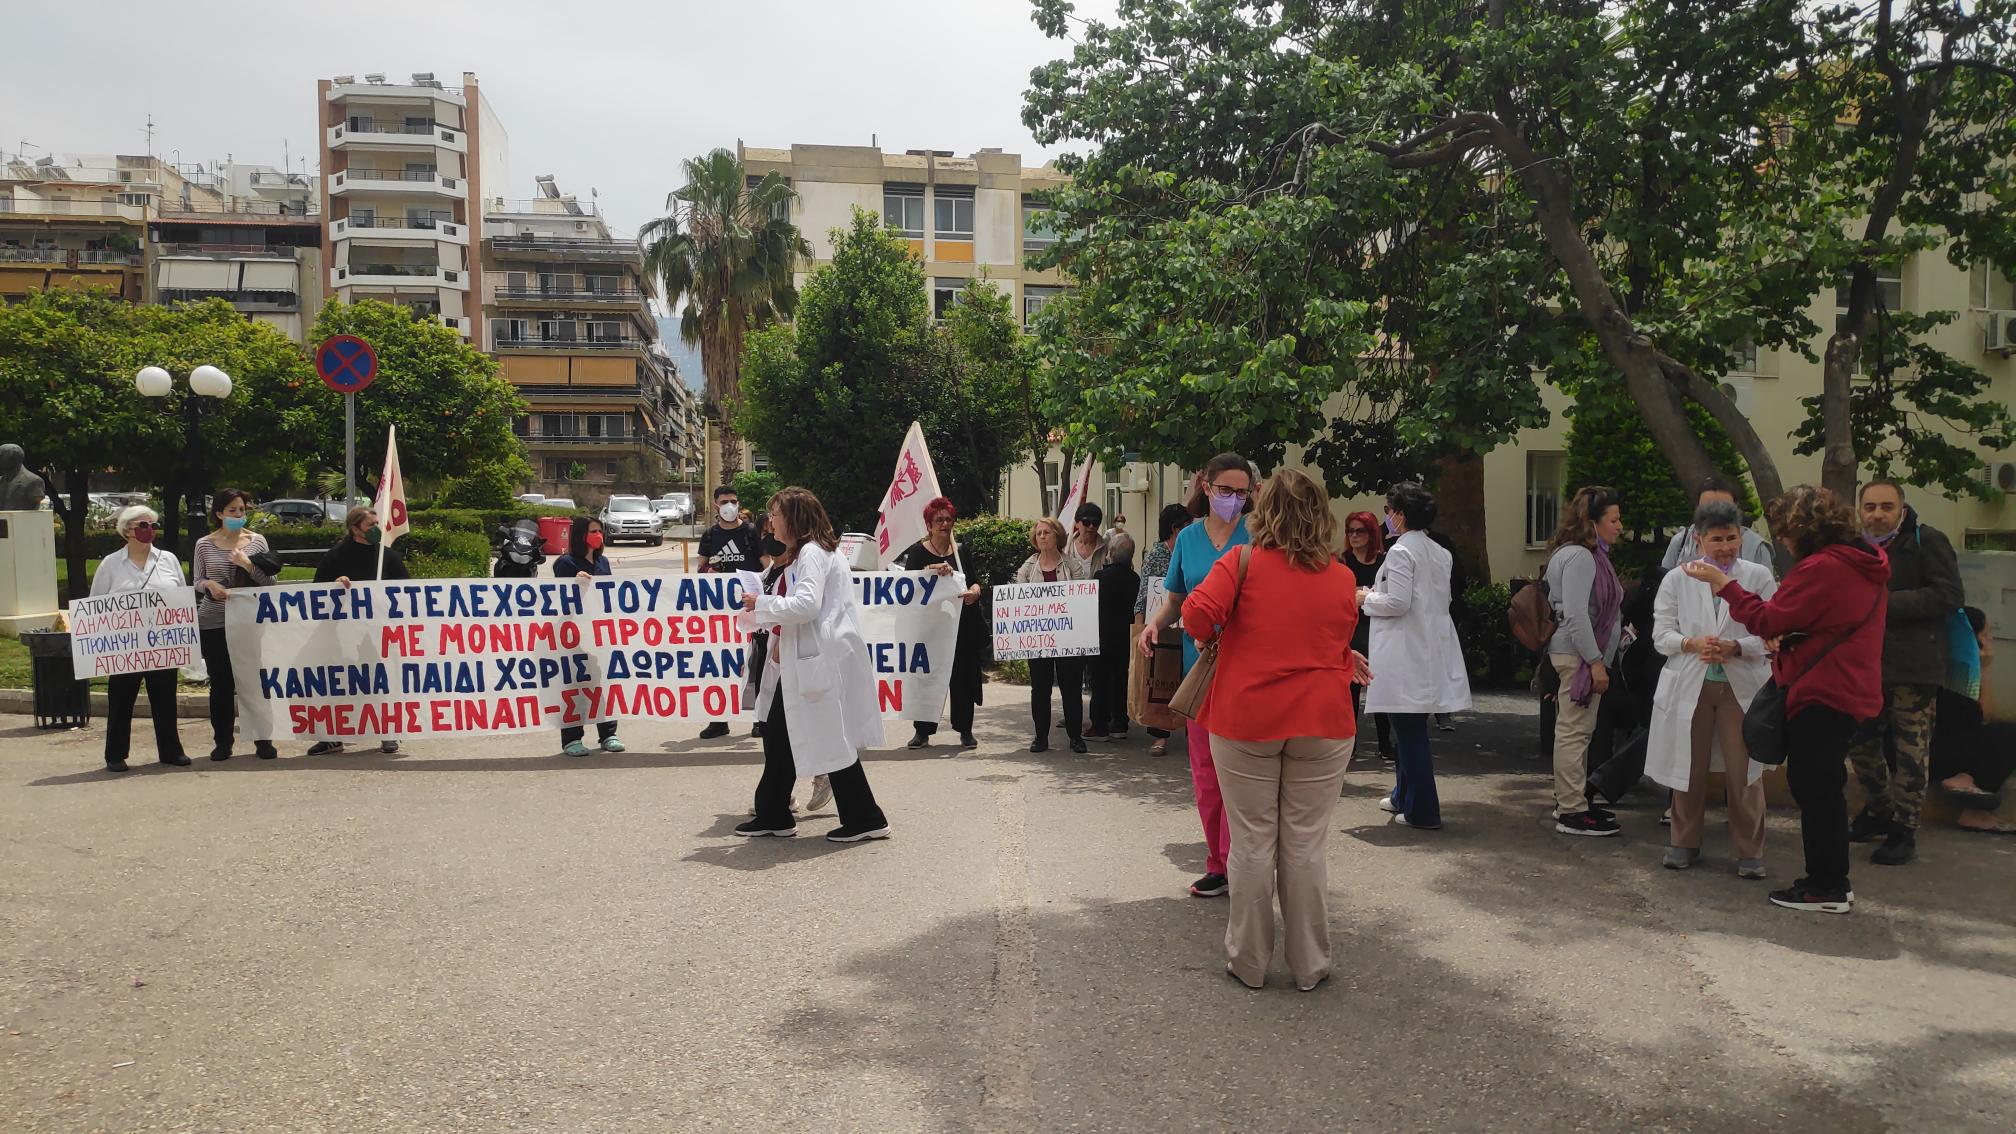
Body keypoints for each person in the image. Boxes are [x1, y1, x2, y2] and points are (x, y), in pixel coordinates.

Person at [1181, 469, 1364, 991]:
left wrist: (1227, 630)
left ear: (1265, 512)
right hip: (1323, 721)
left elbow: (1195, 617)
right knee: (1305, 845)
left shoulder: (1241, 562)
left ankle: (1250, 961)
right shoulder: (1341, 576)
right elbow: (1333, 638)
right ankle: (1310, 964)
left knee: (1253, 842)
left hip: (1248, 719)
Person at [1682, 485, 1888, 914]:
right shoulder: (1860, 562)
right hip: (1848, 685)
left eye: (1785, 532)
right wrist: (1791, 636)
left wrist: (1724, 584)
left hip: (1824, 690)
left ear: (1803, 529)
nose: (1784, 541)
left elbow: (1766, 617)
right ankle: (1831, 881)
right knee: (1823, 786)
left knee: (1816, 789)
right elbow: (1826, 621)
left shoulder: (1824, 567)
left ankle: (1826, 887)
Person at [736, 486, 890, 842]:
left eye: (774, 514)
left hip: (818, 656)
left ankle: (865, 817)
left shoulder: (811, 553)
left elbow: (806, 606)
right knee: (780, 732)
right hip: (814, 656)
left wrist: (762, 603)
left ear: (792, 518)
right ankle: (773, 812)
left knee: (831, 738)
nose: (770, 522)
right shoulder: (819, 551)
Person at [1138, 452, 1254, 898]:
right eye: (1225, 490)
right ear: (1206, 488)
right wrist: (1154, 623)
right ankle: (1218, 863)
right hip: (1200, 672)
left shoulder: (1257, 535)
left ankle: (1241, 860)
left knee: (1240, 773)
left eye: (1241, 492)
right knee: (1206, 775)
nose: (1233, 499)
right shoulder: (1187, 538)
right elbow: (1174, 599)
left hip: (1247, 671)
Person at [1648, 499, 1777, 876]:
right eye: (1717, 539)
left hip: (1741, 686)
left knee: (1745, 772)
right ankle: (1683, 842)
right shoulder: (1677, 578)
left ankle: (1749, 851)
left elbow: (1769, 633)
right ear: (1700, 540)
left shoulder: (1756, 576)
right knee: (1688, 766)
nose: (1725, 547)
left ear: (1742, 537)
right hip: (1693, 682)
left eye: (1732, 538)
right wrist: (1691, 644)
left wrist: (1736, 646)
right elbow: (1661, 634)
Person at [1845, 478, 1963, 867]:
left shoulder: (1927, 540)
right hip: (1865, 666)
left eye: (1886, 507)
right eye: (1871, 507)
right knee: (1860, 744)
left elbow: (1948, 594)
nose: (1878, 515)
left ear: (1902, 509)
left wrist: (1883, 604)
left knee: (1911, 753)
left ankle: (1904, 830)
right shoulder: (1854, 546)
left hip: (1915, 667)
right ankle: (1879, 811)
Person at [1361, 483, 1472, 830]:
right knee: (1407, 726)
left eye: (1388, 510)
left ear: (1401, 515)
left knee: (1408, 731)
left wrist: (1363, 597)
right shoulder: (1439, 551)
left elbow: (1398, 602)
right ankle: (1403, 794)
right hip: (1429, 646)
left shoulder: (1400, 552)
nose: (1386, 517)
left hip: (1405, 651)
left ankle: (1424, 810)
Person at [1543, 486, 1627, 836]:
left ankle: (1571, 801)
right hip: (1578, 655)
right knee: (1574, 732)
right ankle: (1571, 811)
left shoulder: (1580, 554)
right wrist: (1594, 662)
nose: (1620, 526)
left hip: (1577, 653)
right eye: (1614, 519)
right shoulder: (1580, 557)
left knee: (1575, 731)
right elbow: (1576, 615)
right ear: (1592, 524)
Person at [306, 505, 411, 756]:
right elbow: (314, 592)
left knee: (380, 683)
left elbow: (407, 591)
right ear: (355, 528)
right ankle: (332, 737)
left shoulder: (387, 556)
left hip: (377, 635)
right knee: (339, 686)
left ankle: (388, 732)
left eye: (377, 524)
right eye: (370, 525)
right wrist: (335, 584)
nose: (376, 529)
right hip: (342, 635)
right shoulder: (336, 556)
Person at [92, 505, 190, 772]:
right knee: (122, 700)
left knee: (165, 699)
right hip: (125, 646)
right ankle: (115, 754)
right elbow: (96, 604)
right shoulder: (110, 564)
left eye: (153, 525)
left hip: (162, 644)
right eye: (143, 526)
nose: (150, 530)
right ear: (127, 531)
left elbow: (181, 597)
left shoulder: (168, 560)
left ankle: (171, 751)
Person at [192, 488, 278, 761]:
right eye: (232, 511)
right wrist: (209, 585)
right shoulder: (204, 544)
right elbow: (196, 580)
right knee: (221, 683)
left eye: (242, 510)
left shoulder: (256, 542)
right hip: (214, 621)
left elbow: (270, 583)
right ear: (219, 513)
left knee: (253, 681)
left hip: (249, 621)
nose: (239, 515)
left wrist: (249, 565)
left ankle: (263, 739)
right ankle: (223, 741)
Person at [896, 497, 984, 753]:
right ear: (929, 525)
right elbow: (909, 588)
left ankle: (965, 730)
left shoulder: (961, 551)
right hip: (929, 629)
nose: (945, 524)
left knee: (963, 679)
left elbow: (975, 582)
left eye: (948, 519)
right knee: (926, 678)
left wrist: (974, 593)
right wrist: (930, 570)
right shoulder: (918, 552)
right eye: (939, 520)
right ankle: (922, 731)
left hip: (961, 627)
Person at [1933, 607, 2015, 834]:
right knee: (2009, 735)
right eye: (1985, 634)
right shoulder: (1959, 676)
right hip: (1937, 756)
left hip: (1916, 753)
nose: (1990, 640)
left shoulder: (1934, 661)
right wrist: (1984, 669)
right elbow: (1985, 713)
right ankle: (1974, 807)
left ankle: (1965, 777)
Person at [1017, 518, 1091, 755]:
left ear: (1057, 536)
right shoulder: (1027, 569)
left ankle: (1075, 736)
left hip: (1068, 639)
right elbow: (1018, 602)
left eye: (1046, 532)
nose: (1041, 537)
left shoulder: (1072, 567)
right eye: (1038, 533)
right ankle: (1040, 737)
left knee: (1071, 688)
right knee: (1040, 689)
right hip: (1039, 639)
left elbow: (1081, 601)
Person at [697, 485, 764, 741]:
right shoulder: (710, 535)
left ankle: (760, 718)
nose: (729, 505)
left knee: (756, 664)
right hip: (720, 612)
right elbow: (700, 568)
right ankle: (719, 719)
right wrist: (707, 573)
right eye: (724, 501)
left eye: (733, 501)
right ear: (715, 504)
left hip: (749, 608)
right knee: (722, 665)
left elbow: (765, 564)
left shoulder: (749, 532)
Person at [554, 516, 624, 758]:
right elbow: (559, 597)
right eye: (593, 531)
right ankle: (572, 738)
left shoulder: (603, 562)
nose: (598, 536)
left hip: (599, 632)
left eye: (600, 531)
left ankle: (608, 734)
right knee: (575, 687)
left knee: (602, 684)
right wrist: (576, 585)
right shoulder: (566, 563)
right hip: (574, 633)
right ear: (581, 535)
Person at [1136, 504, 1192, 756]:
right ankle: (1160, 736)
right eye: (1187, 525)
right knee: (1162, 681)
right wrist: (1141, 627)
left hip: (1190, 625)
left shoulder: (1192, 548)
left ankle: (1194, 733)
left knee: (1190, 681)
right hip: (1164, 626)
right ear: (1174, 528)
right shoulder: (1157, 554)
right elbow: (1146, 592)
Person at [1341, 509, 1391, 760]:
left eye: (1359, 530)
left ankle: (1385, 743)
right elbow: (1341, 594)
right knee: (1350, 692)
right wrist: (1367, 593)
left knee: (1380, 687)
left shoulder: (1385, 562)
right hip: (1352, 629)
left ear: (1372, 534)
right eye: (1350, 530)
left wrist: (1362, 593)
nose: (1354, 536)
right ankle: (1350, 745)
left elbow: (1391, 595)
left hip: (1380, 629)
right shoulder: (1343, 562)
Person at [1659, 476, 1776, 572]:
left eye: (1724, 507)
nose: (1716, 515)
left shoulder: (1755, 546)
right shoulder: (1680, 541)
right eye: (1708, 508)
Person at [1088, 533, 1140, 740]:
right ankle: (1120, 723)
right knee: (1120, 679)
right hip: (1125, 637)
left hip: (1101, 636)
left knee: (1099, 681)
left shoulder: (1101, 577)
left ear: (1110, 554)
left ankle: (1099, 725)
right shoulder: (1135, 579)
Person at [1069, 501, 1110, 573]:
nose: (1091, 526)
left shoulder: (1107, 549)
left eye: (1095, 523)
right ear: (1076, 523)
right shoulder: (1066, 548)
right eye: (1086, 522)